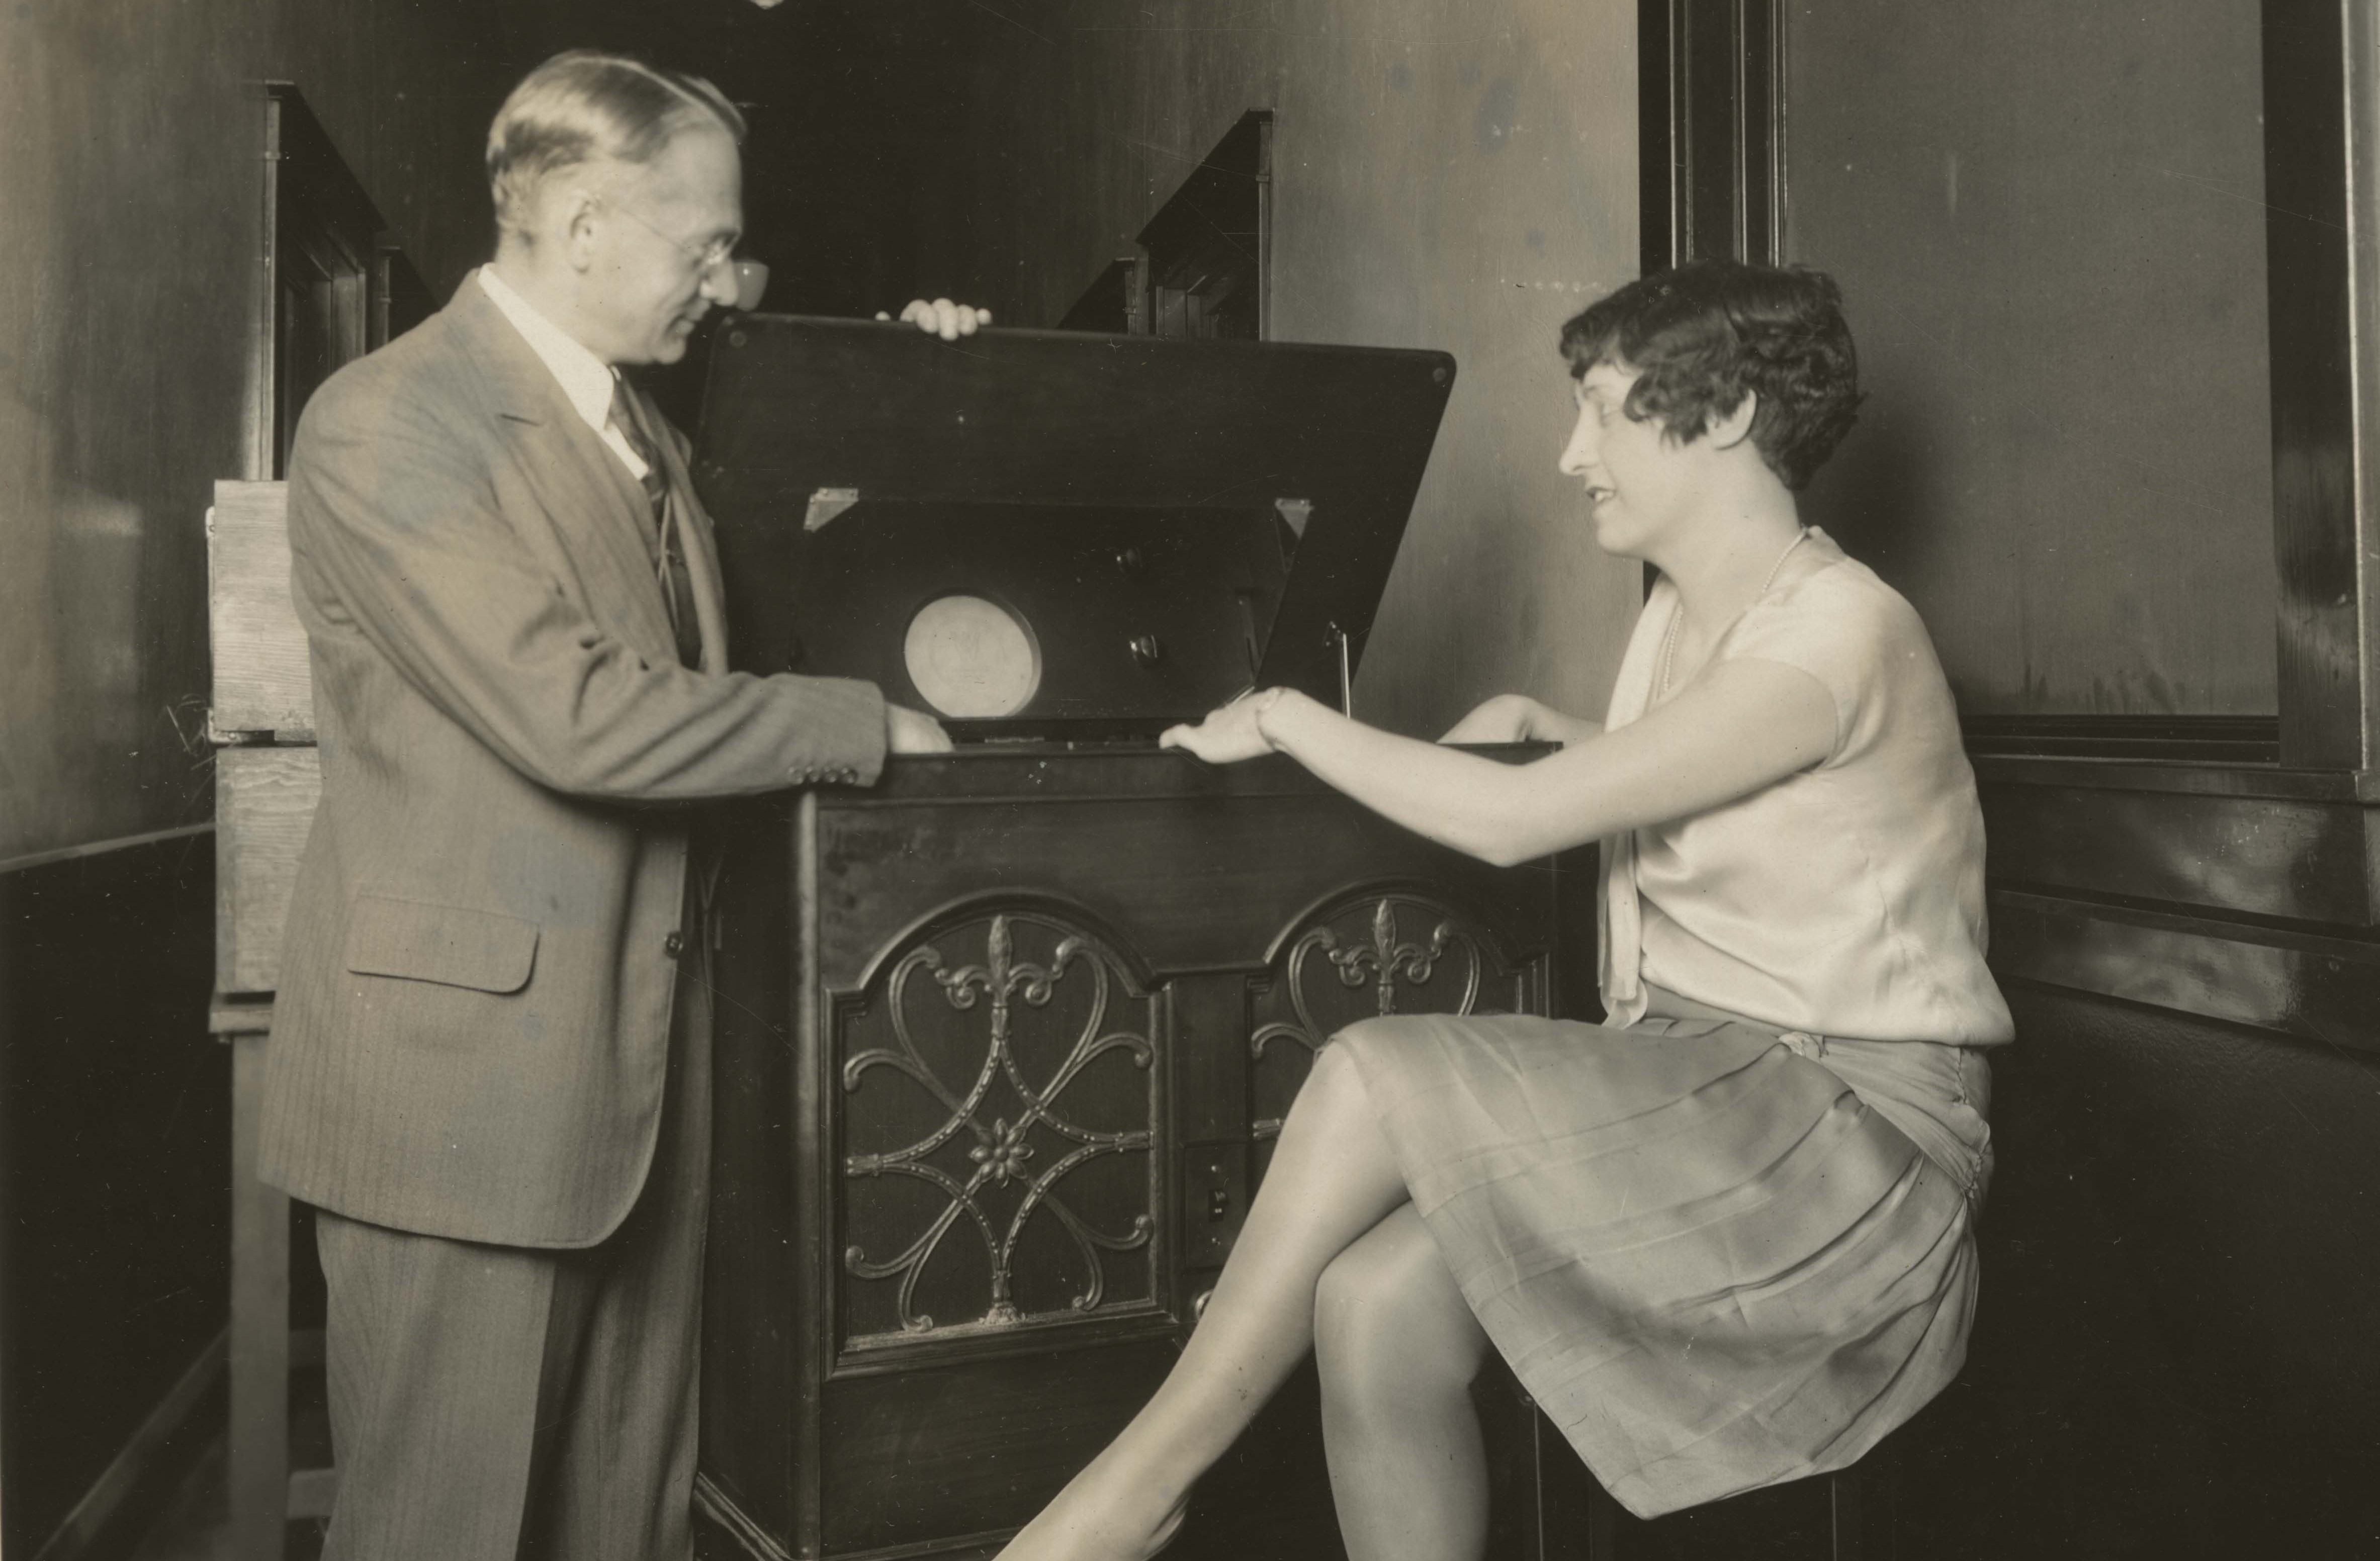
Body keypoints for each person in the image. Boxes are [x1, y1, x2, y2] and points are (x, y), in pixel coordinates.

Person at [997, 258, 2012, 1561]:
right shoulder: (1695, 617)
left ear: (1728, 417)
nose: (1569, 452)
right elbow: (1747, 788)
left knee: (1372, 1067)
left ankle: (1133, 1492)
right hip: (1719, 1094)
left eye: (1604, 409)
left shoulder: (1844, 630)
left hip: (1849, 1152)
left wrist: (1288, 713)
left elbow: (1523, 821)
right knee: (1373, 1304)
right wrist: (1551, 723)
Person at [259, 50, 987, 1560]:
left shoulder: (646, 436)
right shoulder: (388, 419)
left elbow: (759, 633)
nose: (727, 280)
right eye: (706, 243)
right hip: (464, 1100)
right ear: (584, 224)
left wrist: (923, 394)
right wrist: (853, 723)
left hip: (638, 1092)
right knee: (443, 1531)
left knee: (626, 1530)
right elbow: (574, 713)